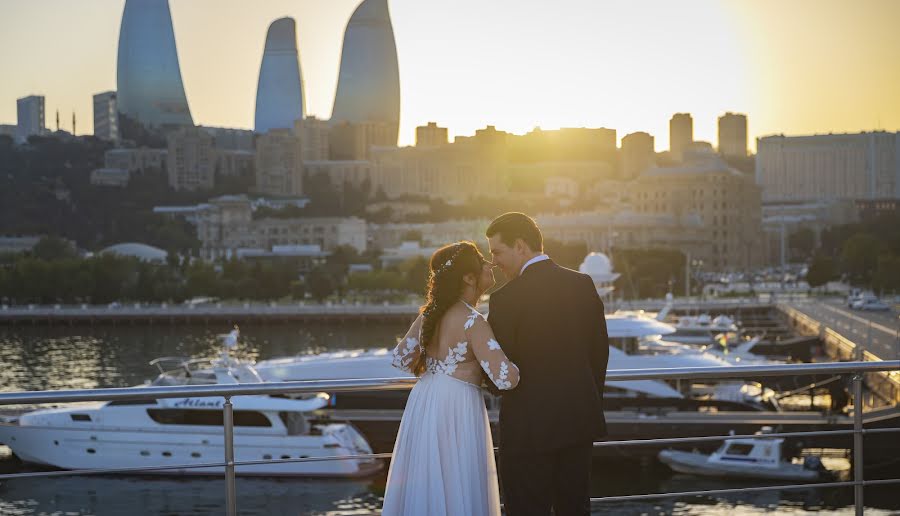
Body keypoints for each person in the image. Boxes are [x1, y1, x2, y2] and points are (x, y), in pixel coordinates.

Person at [382, 241, 520, 516]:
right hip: (456, 406)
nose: (489, 264)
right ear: (468, 277)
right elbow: (506, 379)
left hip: (425, 400)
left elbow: (400, 359)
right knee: (456, 476)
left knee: (431, 477)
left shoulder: (429, 316)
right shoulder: (473, 321)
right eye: (482, 260)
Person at [486, 212, 609, 516]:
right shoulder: (582, 284)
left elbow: (498, 375)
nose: (495, 263)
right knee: (574, 508)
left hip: (528, 431)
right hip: (579, 421)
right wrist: (584, 401)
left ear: (520, 246)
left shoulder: (505, 298)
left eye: (497, 253)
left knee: (527, 509)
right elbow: (599, 355)